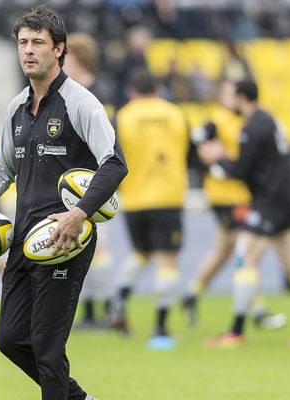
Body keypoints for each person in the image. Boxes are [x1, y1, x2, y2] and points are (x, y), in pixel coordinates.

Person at [0, 6, 127, 400]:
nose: (28, 51)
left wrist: (79, 215)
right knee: (11, 339)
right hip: (24, 238)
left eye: (38, 44)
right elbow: (0, 167)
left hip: (65, 240)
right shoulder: (16, 107)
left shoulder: (81, 103)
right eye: (23, 43)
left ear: (59, 49)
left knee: (47, 348)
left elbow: (114, 163)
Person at [198, 79, 290, 348]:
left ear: (241, 97)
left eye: (233, 96)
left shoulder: (252, 126)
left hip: (269, 201)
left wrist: (217, 157)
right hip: (289, 197)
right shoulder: (270, 119)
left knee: (246, 258)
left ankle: (235, 332)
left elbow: (239, 170)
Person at [182, 80, 286, 331]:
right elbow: (194, 148)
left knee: (225, 250)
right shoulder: (215, 121)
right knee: (246, 247)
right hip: (224, 196)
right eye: (229, 94)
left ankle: (191, 294)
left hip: (240, 194)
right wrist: (212, 168)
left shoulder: (245, 121)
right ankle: (257, 309)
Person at [108, 69, 188, 351]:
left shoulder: (123, 116)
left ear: (132, 91)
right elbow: (189, 153)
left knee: (141, 253)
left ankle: (117, 298)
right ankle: (161, 327)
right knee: (168, 261)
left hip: (135, 200)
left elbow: (109, 156)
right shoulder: (176, 114)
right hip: (168, 197)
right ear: (158, 89)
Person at [63, 32, 115, 330]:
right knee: (81, 246)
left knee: (97, 246)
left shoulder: (96, 95)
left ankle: (108, 309)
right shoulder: (72, 93)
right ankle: (92, 311)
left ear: (78, 59)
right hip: (75, 181)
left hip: (94, 181)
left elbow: (107, 140)